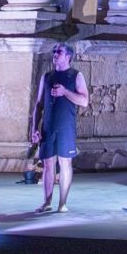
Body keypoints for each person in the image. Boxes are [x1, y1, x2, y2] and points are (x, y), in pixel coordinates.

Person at [30, 43, 89, 213]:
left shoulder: (75, 76)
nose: (55, 54)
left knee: (65, 163)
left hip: (66, 128)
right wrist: (34, 128)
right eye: (54, 51)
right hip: (48, 127)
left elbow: (84, 101)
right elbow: (39, 105)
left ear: (68, 56)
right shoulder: (47, 77)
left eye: (59, 52)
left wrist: (65, 92)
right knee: (48, 165)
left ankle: (62, 203)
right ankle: (47, 202)